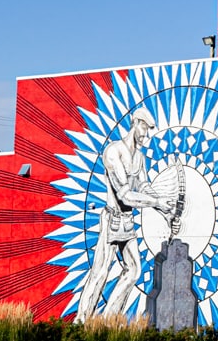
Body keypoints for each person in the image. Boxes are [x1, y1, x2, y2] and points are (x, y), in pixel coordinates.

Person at [75, 111, 179, 320]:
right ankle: (81, 321)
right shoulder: (113, 152)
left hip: (127, 222)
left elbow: (143, 186)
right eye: (145, 130)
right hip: (111, 219)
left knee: (133, 271)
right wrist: (157, 202)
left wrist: (164, 209)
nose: (146, 137)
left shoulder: (139, 157)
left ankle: (108, 320)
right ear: (136, 123)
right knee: (100, 272)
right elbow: (126, 196)